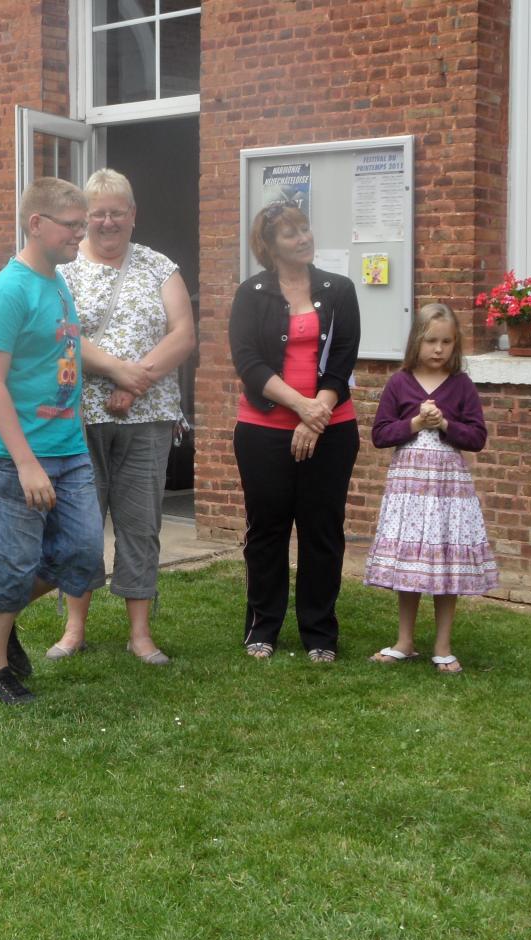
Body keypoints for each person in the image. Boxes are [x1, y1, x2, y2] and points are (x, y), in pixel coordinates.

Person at [0, 177, 108, 704]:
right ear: (36, 224)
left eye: (82, 223)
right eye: (72, 225)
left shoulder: (56, 282)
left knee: (84, 556)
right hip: (13, 453)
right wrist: (26, 463)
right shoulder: (9, 289)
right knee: (15, 561)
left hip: (67, 447)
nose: (81, 233)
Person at [57, 168, 196, 665]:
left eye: (118, 212)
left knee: (141, 525)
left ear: (133, 216)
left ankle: (140, 633)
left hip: (148, 418)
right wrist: (122, 373)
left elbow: (183, 334)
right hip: (77, 419)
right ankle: (74, 628)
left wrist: (137, 384)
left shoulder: (160, 268)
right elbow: (60, 333)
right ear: (84, 218)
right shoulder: (63, 270)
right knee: (80, 525)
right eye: (98, 213)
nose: (108, 222)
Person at [228, 200, 361, 662]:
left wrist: (317, 414)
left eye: (304, 228)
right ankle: (262, 627)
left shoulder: (339, 289)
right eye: (290, 234)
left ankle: (320, 633)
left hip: (332, 429)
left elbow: (343, 358)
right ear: (269, 245)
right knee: (267, 530)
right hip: (263, 430)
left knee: (322, 530)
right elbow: (247, 361)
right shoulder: (251, 293)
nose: (303, 238)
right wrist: (302, 407)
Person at [364, 303, 497, 674]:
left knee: (444, 562)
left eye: (447, 342)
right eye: (432, 341)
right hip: (408, 490)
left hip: (447, 491)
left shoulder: (462, 386)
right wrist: (416, 422)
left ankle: (442, 646)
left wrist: (446, 424)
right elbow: (380, 434)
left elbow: (477, 437)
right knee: (411, 563)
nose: (439, 350)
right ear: (416, 343)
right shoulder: (399, 383)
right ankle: (404, 642)